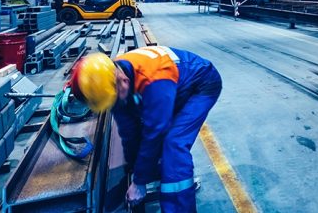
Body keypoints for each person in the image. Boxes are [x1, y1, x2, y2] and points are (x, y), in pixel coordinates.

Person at [68, 47, 222, 212]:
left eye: (118, 91)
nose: (117, 98)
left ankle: (179, 203)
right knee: (149, 134)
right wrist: (134, 171)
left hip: (202, 84)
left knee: (173, 143)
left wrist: (139, 183)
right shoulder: (111, 83)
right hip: (176, 85)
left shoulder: (154, 80)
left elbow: (156, 132)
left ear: (122, 78)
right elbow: (129, 132)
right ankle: (162, 173)